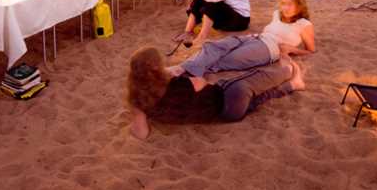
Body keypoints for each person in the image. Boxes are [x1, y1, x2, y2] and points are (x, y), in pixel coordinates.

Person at [126, 46, 303, 140]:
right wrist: (170, 74)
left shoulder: (137, 100)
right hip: (229, 96)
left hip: (226, 115)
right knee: (255, 77)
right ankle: (289, 70)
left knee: (258, 99)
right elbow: (201, 82)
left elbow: (141, 133)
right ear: (158, 68)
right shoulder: (177, 84)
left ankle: (293, 85)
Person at [171, 0, 316, 89]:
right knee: (213, 46)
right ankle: (181, 68)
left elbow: (311, 50)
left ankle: (183, 72)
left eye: (290, 4)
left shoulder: (304, 24)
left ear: (299, 5)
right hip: (254, 38)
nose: (285, 8)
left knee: (227, 59)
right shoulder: (277, 14)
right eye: (283, 3)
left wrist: (292, 49)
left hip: (269, 49)